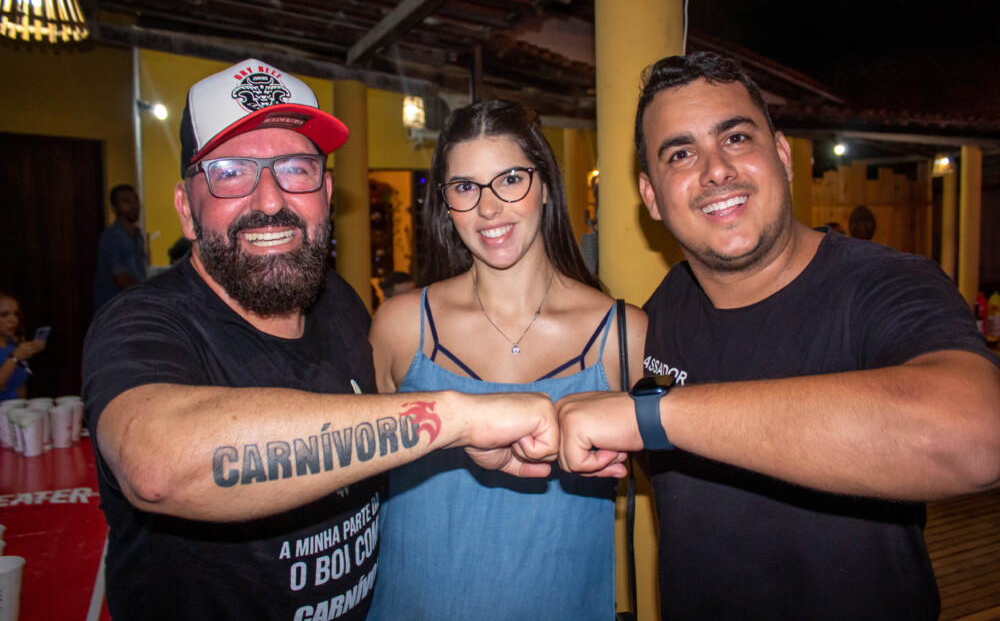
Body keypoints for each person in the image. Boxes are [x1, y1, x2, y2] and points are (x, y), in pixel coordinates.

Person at [82, 59, 561, 620]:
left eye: (296, 168)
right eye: (230, 172)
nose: (269, 201)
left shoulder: (339, 302)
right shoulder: (142, 323)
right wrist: (457, 419)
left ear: (326, 192)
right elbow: (156, 466)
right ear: (187, 209)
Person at [556, 52, 1000, 619]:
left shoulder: (883, 284)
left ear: (783, 156)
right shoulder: (667, 306)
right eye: (681, 153)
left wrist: (652, 417)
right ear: (652, 198)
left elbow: (977, 439)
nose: (716, 170)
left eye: (736, 138)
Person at [367, 99, 646, 619]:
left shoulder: (622, 335)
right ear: (446, 203)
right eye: (465, 187)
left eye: (511, 179)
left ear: (546, 186)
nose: (489, 208)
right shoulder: (401, 326)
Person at [93, 183, 147, 310]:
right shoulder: (111, 237)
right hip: (115, 310)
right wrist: (148, 295)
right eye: (126, 201)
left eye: (135, 200)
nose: (133, 206)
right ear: (114, 208)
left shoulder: (138, 236)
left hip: (133, 306)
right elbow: (121, 278)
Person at [1, 291, 46, 401]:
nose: (14, 320)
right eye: (4, 314)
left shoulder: (13, 342)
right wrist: (14, 357)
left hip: (16, 407)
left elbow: (20, 384)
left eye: (16, 314)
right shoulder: (14, 351)